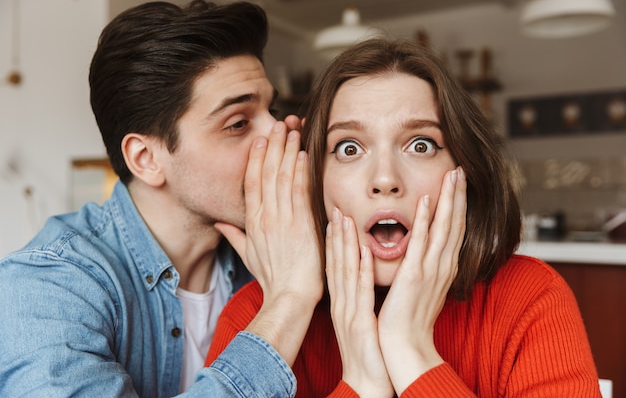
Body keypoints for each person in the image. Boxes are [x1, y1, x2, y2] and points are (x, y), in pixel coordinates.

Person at [206, 38, 602, 397]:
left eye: (420, 144)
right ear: (314, 182)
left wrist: (409, 348)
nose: (384, 180)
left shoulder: (529, 297)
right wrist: (361, 383)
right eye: (348, 148)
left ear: (464, 167)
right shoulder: (254, 315)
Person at [0, 0, 323, 397]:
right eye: (238, 123)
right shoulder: (49, 284)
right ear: (147, 159)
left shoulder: (282, 251)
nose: (280, 133)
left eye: (271, 110)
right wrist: (289, 300)